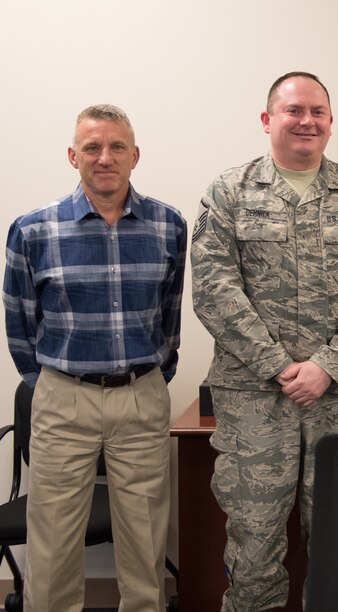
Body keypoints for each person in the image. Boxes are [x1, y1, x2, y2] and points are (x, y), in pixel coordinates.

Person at [190, 71, 338, 610]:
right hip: (254, 402)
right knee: (254, 544)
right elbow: (214, 290)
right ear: (267, 120)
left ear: (330, 123)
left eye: (318, 112)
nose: (307, 121)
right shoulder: (228, 192)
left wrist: (328, 365)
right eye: (293, 111)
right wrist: (279, 366)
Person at [3, 104, 186, 611]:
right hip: (64, 399)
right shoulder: (33, 230)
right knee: (54, 544)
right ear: (72, 156)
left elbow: (169, 314)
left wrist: (152, 377)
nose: (104, 158)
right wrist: (50, 386)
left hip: (141, 395)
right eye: (92, 147)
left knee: (145, 544)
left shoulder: (168, 226)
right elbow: (19, 323)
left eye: (116, 147)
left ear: (135, 156)